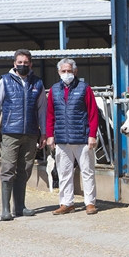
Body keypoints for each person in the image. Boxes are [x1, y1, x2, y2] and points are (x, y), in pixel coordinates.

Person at [0, 49, 47, 221]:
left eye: (25, 63)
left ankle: (19, 207)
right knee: (8, 169)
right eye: (19, 62)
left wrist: (43, 132)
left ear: (31, 64)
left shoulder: (37, 83)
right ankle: (6, 209)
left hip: (30, 133)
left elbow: (42, 110)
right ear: (14, 64)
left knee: (25, 170)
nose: (22, 65)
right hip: (9, 132)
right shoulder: (5, 81)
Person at [46, 58, 99, 215]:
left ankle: (90, 203)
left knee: (87, 170)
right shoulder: (54, 90)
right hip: (62, 137)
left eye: (69, 71)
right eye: (63, 71)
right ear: (58, 72)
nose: (66, 74)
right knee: (64, 171)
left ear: (75, 72)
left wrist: (92, 135)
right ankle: (67, 203)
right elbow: (50, 115)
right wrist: (50, 135)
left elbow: (93, 113)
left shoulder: (84, 88)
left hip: (82, 136)